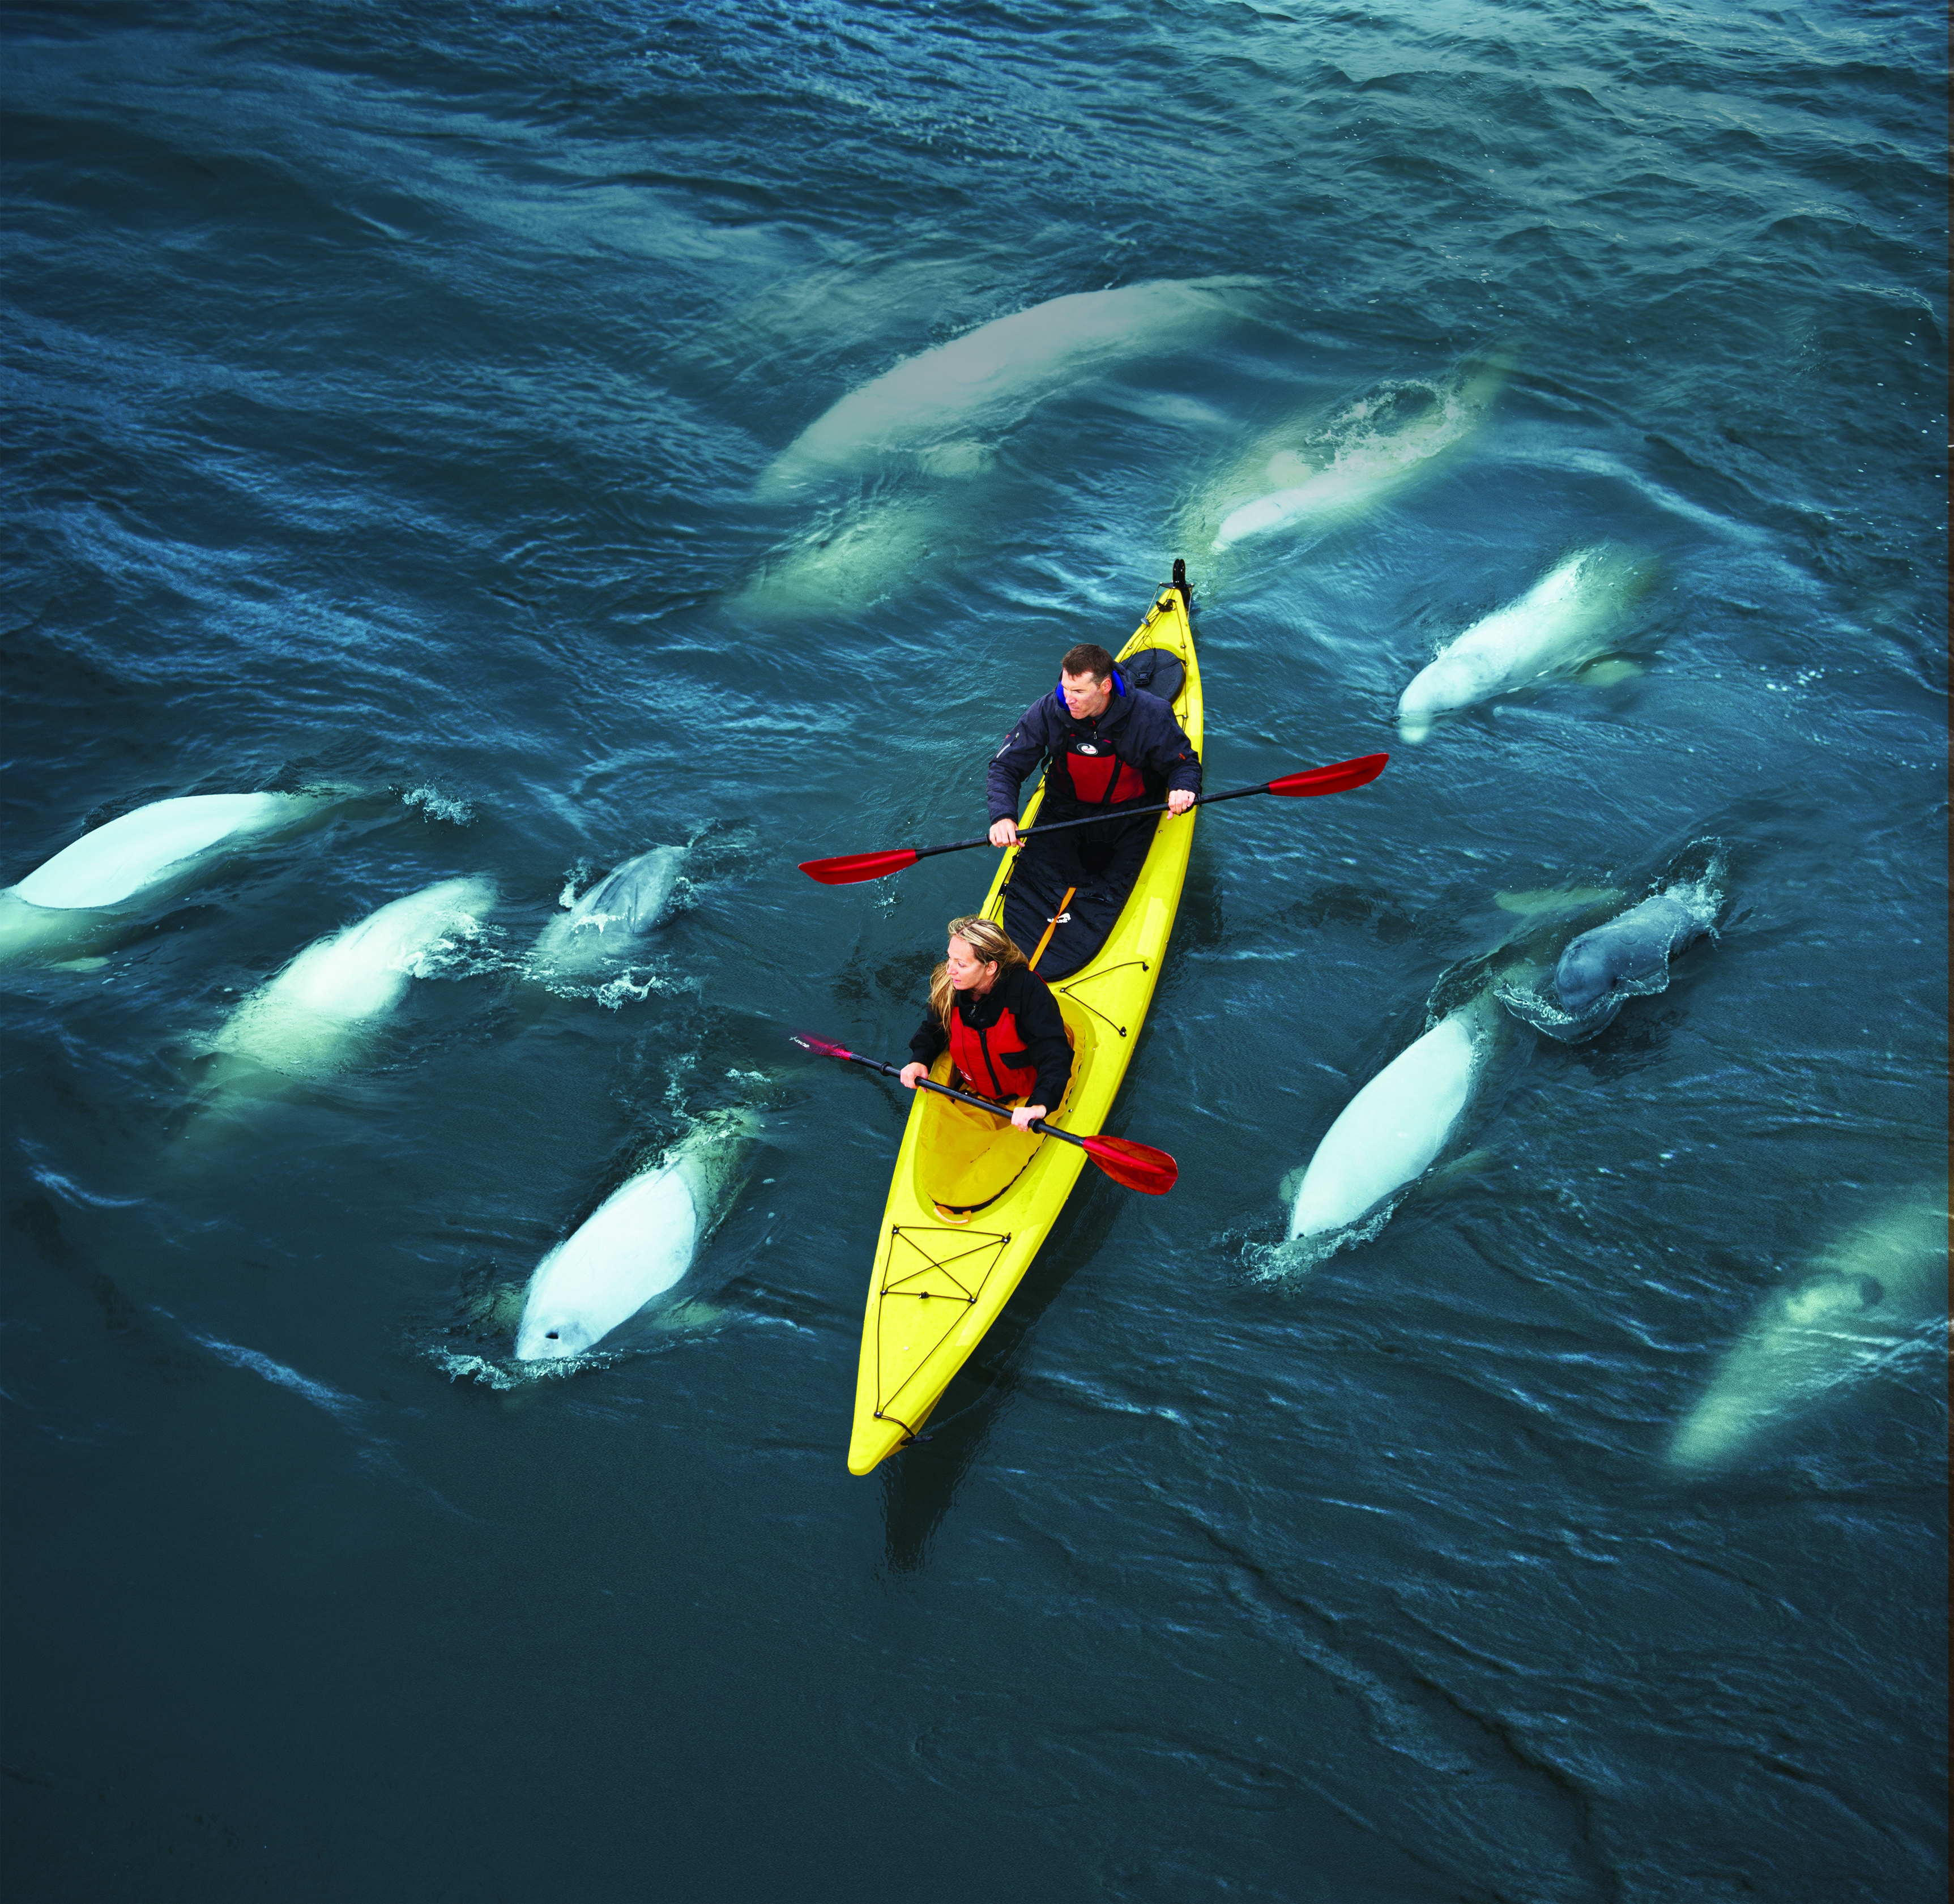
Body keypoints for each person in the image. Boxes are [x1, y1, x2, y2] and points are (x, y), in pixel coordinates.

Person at [985, 642, 1200, 978]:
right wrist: (1003, 817)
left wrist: (1182, 789)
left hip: (1129, 815)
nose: (1067, 699)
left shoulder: (1151, 714)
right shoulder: (1047, 710)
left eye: (1078, 692)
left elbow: (1183, 764)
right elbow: (1005, 768)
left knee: (1106, 889)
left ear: (1105, 686)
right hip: (1064, 812)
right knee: (1045, 880)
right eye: (1064, 688)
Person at [899, 916, 1074, 1220]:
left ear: (990, 967)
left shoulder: (1028, 992)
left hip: (1024, 1099)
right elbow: (934, 1028)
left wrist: (1039, 1105)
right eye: (950, 958)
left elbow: (1054, 1053)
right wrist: (920, 1059)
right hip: (975, 1092)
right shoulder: (949, 985)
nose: (950, 969)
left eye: (961, 964)